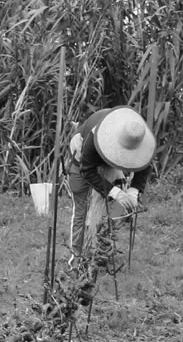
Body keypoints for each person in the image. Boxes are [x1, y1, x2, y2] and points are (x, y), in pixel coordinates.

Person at [65, 106, 156, 274]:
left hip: (108, 165)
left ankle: (99, 252)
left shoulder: (138, 133)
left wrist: (133, 192)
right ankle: (76, 257)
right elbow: (87, 171)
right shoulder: (94, 137)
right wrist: (116, 192)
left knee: (113, 210)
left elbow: (145, 166)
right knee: (81, 212)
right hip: (83, 162)